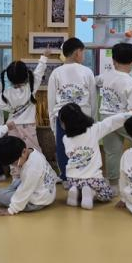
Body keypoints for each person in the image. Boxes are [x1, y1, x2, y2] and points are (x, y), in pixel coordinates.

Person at [59, 103, 132, 209]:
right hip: (92, 178)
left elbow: (68, 154)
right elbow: (111, 122)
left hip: (72, 179)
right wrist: (130, 113)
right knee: (106, 194)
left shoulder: (66, 139)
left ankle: (75, 191)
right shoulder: (93, 130)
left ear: (65, 123)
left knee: (79, 186)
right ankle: (91, 192)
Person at [47, 37, 97, 181]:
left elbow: (51, 100)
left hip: (62, 117)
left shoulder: (56, 73)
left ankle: (65, 177)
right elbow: (93, 98)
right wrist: (93, 119)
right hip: (83, 117)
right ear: (77, 53)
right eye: (83, 52)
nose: (83, 55)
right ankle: (83, 177)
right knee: (84, 147)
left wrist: (53, 121)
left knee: (63, 147)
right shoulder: (87, 72)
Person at [0, 52, 50, 179]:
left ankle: (16, 177)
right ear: (26, 74)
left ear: (9, 78)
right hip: (28, 126)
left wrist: (11, 109)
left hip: (12, 126)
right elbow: (39, 72)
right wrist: (44, 57)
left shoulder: (7, 92)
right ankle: (41, 173)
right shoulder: (31, 87)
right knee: (34, 150)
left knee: (13, 152)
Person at [96, 42, 132, 190]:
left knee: (112, 152)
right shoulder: (131, 83)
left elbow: (95, 81)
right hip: (123, 120)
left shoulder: (106, 76)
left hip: (105, 119)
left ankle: (113, 185)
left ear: (113, 60)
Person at [0, 135, 58, 216]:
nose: (14, 166)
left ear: (24, 152)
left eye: (14, 163)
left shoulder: (32, 169)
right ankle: (6, 192)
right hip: (46, 193)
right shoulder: (33, 152)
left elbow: (24, 191)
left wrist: (11, 210)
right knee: (17, 182)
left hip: (38, 202)